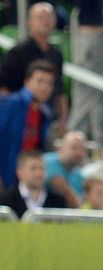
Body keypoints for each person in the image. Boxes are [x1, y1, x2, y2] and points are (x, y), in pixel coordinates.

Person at [0, 1, 67, 129]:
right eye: (40, 17)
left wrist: (63, 121)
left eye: (49, 17)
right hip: (20, 118)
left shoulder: (56, 54)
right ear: (29, 22)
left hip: (47, 119)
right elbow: (3, 86)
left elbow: (60, 90)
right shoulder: (18, 52)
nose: (45, 21)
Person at [65, 0, 103, 143]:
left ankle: (98, 142)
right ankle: (73, 142)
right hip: (92, 41)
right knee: (87, 96)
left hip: (102, 41)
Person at [0, 60, 55, 191]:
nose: (44, 87)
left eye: (49, 83)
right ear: (27, 82)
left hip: (24, 182)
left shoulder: (45, 113)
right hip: (5, 177)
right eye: (40, 81)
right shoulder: (10, 104)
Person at [0, 149, 66, 218]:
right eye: (33, 168)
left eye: (41, 168)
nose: (39, 173)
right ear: (19, 172)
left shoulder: (58, 202)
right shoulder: (4, 201)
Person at [43, 129, 88, 208]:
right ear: (61, 148)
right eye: (74, 148)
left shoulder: (80, 177)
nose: (78, 153)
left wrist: (65, 190)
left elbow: (78, 207)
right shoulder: (45, 162)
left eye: (82, 149)